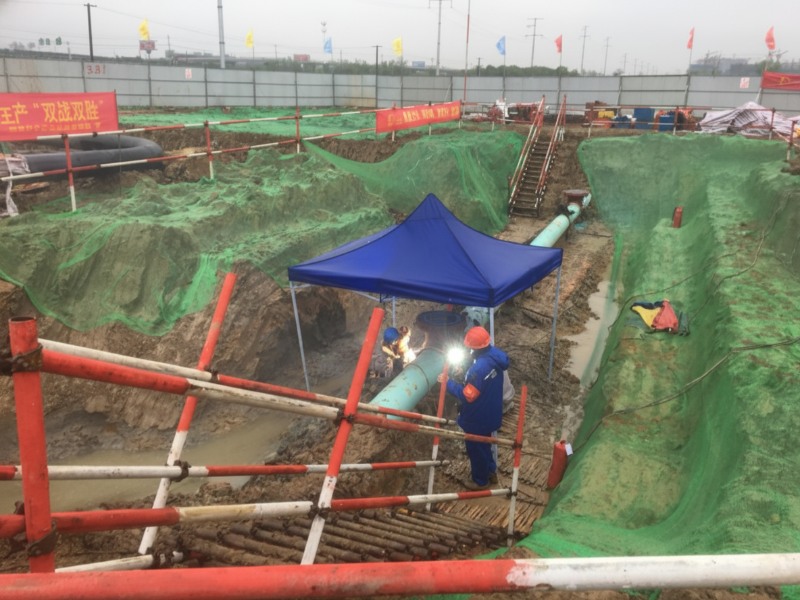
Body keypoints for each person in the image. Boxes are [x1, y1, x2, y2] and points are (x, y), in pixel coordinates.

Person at [438, 326, 509, 490]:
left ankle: (480, 481)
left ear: (473, 348)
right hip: (491, 412)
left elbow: (467, 396)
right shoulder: (495, 356)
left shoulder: (479, 369)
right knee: (485, 444)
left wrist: (447, 382)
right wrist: (466, 370)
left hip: (477, 417)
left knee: (476, 449)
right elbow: (482, 378)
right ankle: (491, 471)